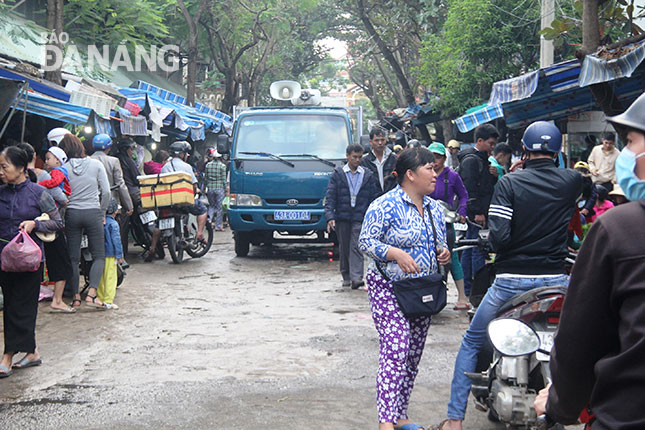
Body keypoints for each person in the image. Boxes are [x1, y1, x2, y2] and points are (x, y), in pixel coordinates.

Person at [438, 121, 582, 430]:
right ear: (557, 152)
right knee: (583, 338)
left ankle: (454, 419)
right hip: (557, 282)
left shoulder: (509, 184)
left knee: (473, 342)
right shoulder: (572, 180)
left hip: (511, 281)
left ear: (526, 150)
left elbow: (500, 237)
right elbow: (585, 196)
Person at [534, 93, 645, 430]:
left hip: (626, 417)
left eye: (631, 142)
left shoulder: (620, 227)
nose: (626, 153)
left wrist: (558, 405)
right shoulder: (580, 190)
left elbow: (579, 342)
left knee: (475, 336)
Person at [359, 147, 451, 430]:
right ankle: (386, 421)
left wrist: (444, 252)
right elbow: (365, 242)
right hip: (388, 286)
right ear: (410, 174)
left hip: (422, 289)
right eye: (429, 169)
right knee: (396, 347)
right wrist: (394, 253)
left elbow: (441, 242)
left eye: (435, 169)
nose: (435, 174)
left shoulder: (436, 208)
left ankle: (400, 413)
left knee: (412, 353)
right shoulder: (384, 205)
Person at [0, 146, 64, 377]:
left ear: (20, 168)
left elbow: (57, 223)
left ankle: (7, 355)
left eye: (4, 167)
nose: (1, 171)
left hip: (31, 262)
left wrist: (35, 224)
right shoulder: (1, 193)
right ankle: (32, 352)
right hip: (5, 261)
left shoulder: (38, 193)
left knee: (24, 307)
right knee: (11, 306)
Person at [58, 134, 111, 309]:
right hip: (93, 212)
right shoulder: (96, 165)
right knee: (99, 256)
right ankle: (92, 295)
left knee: (73, 259)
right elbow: (107, 192)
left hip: (72, 213)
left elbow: (61, 194)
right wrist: (102, 212)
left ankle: (75, 297)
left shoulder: (63, 168)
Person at [325, 144, 379, 289]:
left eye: (360, 157)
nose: (357, 160)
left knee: (356, 246)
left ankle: (356, 278)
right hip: (342, 216)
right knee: (344, 247)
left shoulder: (367, 175)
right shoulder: (338, 174)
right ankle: (346, 275)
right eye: (354, 157)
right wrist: (330, 216)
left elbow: (373, 197)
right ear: (347, 156)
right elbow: (331, 196)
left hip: (360, 216)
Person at [146, 141, 208, 262]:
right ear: (182, 154)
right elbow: (194, 185)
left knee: (159, 224)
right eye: (186, 153)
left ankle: (152, 248)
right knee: (203, 210)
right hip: (183, 202)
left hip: (168, 202)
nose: (187, 155)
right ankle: (199, 233)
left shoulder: (165, 167)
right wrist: (195, 192)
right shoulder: (186, 167)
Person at [457, 124, 499, 296]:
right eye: (490, 143)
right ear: (480, 141)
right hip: (477, 213)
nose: (493, 147)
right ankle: (475, 288)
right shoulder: (471, 161)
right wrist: (478, 212)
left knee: (471, 247)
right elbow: (469, 190)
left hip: (480, 210)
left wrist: (492, 176)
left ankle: (469, 287)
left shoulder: (482, 160)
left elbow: (484, 186)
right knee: (477, 249)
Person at [428, 142, 470, 310]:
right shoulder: (422, 174)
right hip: (424, 222)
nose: (435, 161)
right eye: (432, 157)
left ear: (444, 158)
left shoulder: (452, 176)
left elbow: (464, 196)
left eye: (438, 157)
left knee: (452, 258)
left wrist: (462, 213)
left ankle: (462, 296)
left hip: (446, 223)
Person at [90, 134, 133, 216]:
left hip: (92, 203)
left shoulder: (87, 161)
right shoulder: (114, 161)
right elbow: (120, 184)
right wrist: (129, 206)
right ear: (109, 148)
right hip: (110, 204)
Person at [116, 138, 142, 256]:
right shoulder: (128, 161)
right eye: (131, 149)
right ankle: (123, 253)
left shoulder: (116, 159)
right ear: (125, 150)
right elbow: (137, 178)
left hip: (121, 195)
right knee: (124, 226)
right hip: (131, 195)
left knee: (123, 225)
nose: (133, 152)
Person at [97, 198, 124, 310]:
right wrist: (120, 255)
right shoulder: (113, 224)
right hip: (110, 254)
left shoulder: (99, 222)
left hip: (99, 254)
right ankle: (108, 301)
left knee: (101, 277)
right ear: (115, 211)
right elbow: (116, 241)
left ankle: (100, 299)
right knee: (111, 278)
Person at [361, 127, 397, 194]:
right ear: (371, 142)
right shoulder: (364, 161)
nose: (380, 143)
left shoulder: (393, 159)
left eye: (382, 140)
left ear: (386, 140)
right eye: (376, 140)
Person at [204, 148, 228, 231]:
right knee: (219, 208)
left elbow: (205, 178)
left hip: (210, 188)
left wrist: (204, 188)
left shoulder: (208, 165)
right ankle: (218, 226)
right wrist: (225, 189)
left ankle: (209, 221)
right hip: (220, 189)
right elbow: (224, 180)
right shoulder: (222, 166)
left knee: (211, 206)